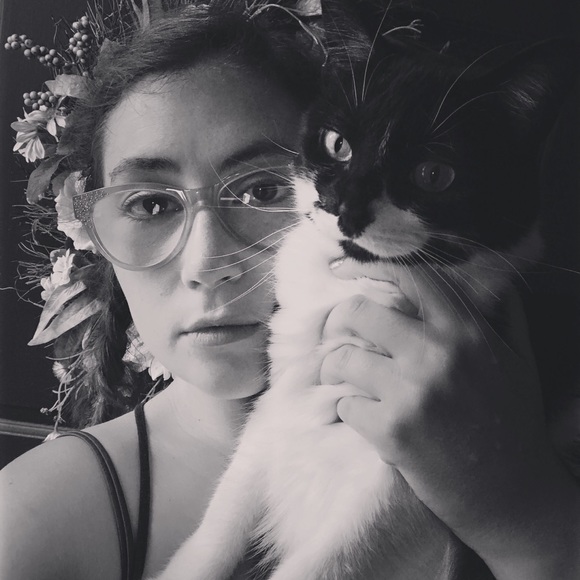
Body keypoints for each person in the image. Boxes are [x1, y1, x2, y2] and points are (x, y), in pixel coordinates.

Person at [0, 2, 579, 580]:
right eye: (149, 204)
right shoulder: (27, 522)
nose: (207, 264)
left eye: (260, 190)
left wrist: (528, 522)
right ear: (88, 234)